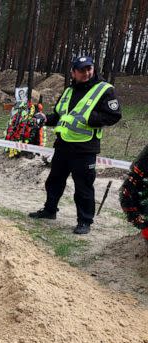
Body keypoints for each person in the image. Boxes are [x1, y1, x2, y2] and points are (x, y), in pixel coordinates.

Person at [29, 56, 122, 234]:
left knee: (83, 187)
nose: (86, 73)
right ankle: (50, 211)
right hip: (63, 145)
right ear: (73, 72)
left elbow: (114, 115)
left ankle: (85, 221)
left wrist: (90, 119)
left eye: (89, 68)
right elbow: (59, 115)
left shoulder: (104, 90)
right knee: (54, 181)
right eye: (82, 70)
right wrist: (45, 118)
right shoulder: (69, 91)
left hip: (85, 148)